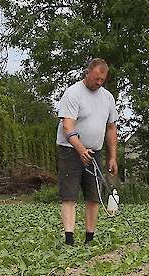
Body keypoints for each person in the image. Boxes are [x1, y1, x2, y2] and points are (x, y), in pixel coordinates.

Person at [56, 58, 119, 245]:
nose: (99, 83)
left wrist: (113, 157)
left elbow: (111, 128)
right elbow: (67, 126)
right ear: (87, 73)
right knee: (70, 194)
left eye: (102, 80)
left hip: (95, 152)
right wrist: (81, 149)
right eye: (96, 78)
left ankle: (89, 238)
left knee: (94, 195)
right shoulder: (73, 94)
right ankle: (69, 238)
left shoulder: (107, 97)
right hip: (70, 150)